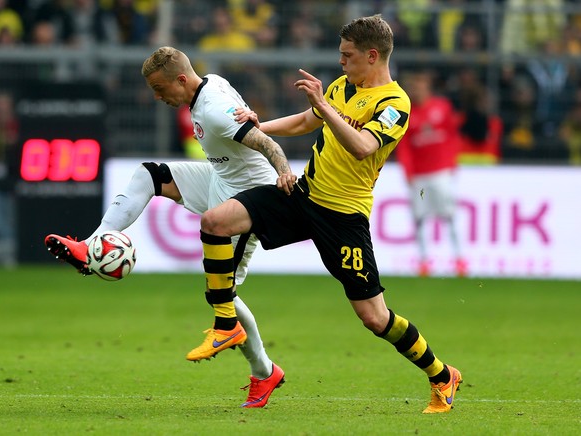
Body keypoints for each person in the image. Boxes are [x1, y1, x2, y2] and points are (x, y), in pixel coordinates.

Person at [189, 15, 462, 414]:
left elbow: (363, 147)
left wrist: (322, 105)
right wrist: (259, 125)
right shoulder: (341, 87)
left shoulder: (394, 104)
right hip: (303, 195)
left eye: (347, 56)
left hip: (343, 217)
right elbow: (305, 121)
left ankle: (441, 374)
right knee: (214, 221)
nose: (341, 63)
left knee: (374, 317)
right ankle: (226, 323)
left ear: (372, 56)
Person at [44, 46, 291, 408]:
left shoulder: (214, 110)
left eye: (160, 89)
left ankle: (263, 371)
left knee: (222, 294)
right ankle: (92, 244)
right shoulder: (210, 86)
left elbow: (266, 142)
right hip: (219, 181)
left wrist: (284, 172)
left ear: (180, 79)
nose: (158, 97)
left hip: (248, 201)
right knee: (151, 174)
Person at [396, 69, 467, 277]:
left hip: (441, 172)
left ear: (427, 87)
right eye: (413, 87)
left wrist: (453, 161)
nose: (416, 91)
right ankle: (424, 261)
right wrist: (407, 171)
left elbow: (453, 135)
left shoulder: (442, 107)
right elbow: (404, 146)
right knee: (420, 218)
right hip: (419, 175)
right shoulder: (408, 113)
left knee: (450, 215)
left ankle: (459, 259)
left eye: (419, 86)